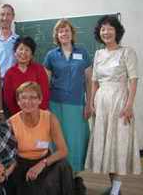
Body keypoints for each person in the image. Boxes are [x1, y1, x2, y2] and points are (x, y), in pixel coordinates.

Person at [85, 15, 141, 195]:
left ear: (117, 31)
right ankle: (113, 187)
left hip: (120, 101)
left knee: (119, 143)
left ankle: (116, 189)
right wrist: (92, 103)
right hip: (102, 103)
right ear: (99, 32)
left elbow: (133, 80)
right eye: (102, 29)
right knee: (106, 145)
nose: (106, 32)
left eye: (110, 28)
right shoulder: (98, 53)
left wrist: (130, 104)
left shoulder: (127, 52)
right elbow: (94, 81)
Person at [43, 19, 92, 194]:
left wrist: (90, 103)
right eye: (61, 31)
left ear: (72, 33)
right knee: (58, 140)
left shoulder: (83, 53)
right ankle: (60, 176)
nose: (64, 34)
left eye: (67, 30)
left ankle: (74, 177)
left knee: (75, 142)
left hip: (77, 105)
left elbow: (88, 80)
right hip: (55, 104)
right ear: (57, 35)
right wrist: (44, 107)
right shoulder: (51, 55)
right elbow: (45, 82)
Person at [8, 81, 73, 195]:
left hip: (44, 161)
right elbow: (8, 155)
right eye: (23, 98)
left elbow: (63, 151)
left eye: (33, 97)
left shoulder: (50, 118)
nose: (28, 102)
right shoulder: (10, 123)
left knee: (64, 166)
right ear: (18, 101)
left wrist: (42, 164)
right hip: (21, 164)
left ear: (40, 100)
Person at [3, 36, 49, 116]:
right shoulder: (9, 73)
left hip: (38, 115)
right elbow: (9, 99)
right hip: (17, 116)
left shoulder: (39, 70)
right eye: (20, 49)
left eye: (27, 50)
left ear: (32, 54)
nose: (23, 52)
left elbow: (44, 94)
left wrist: (37, 114)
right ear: (15, 52)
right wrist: (20, 115)